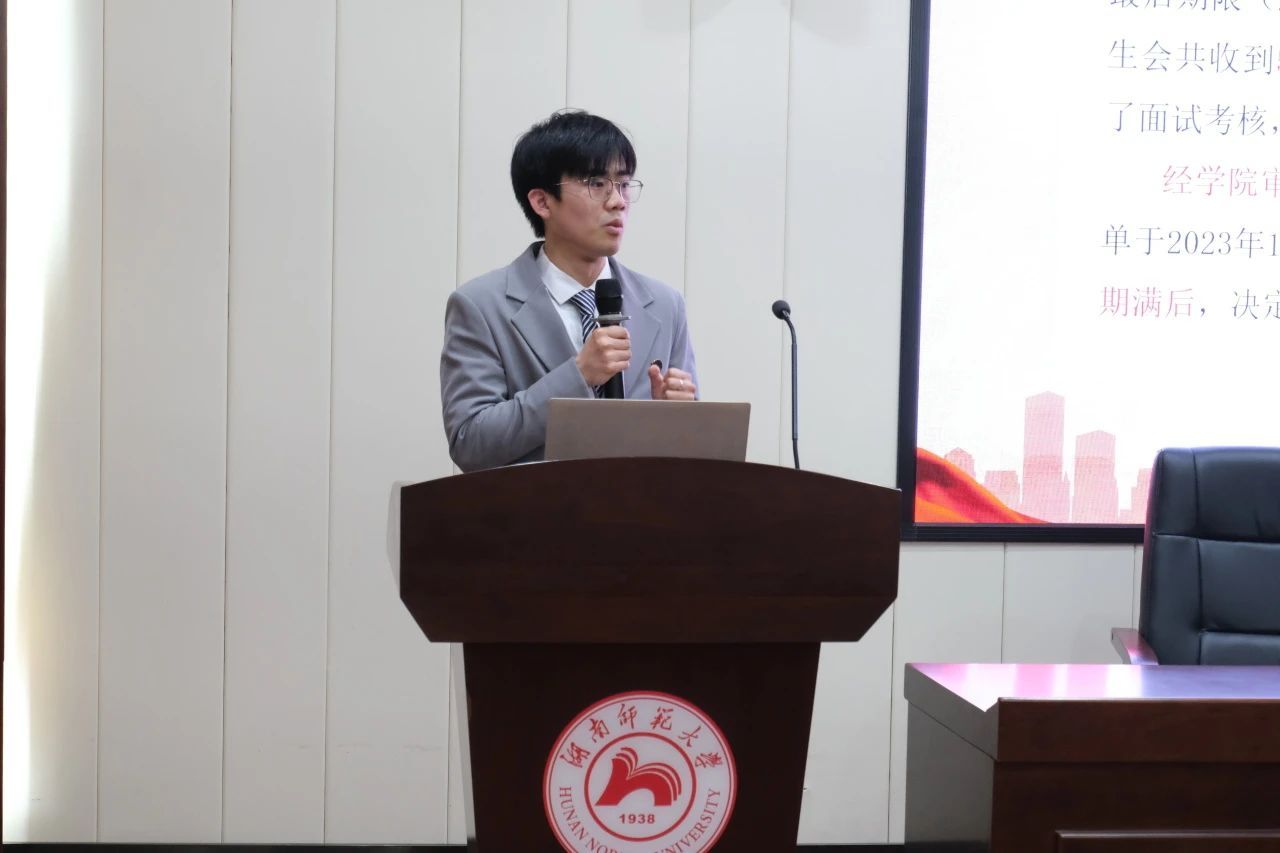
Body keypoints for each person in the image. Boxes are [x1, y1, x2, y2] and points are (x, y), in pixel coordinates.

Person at [440, 110, 699, 472]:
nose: (618, 201)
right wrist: (577, 376)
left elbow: (690, 460)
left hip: (641, 505)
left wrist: (678, 419)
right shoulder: (481, 306)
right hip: (536, 507)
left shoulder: (665, 305)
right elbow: (470, 442)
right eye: (597, 183)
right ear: (542, 201)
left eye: (624, 184)